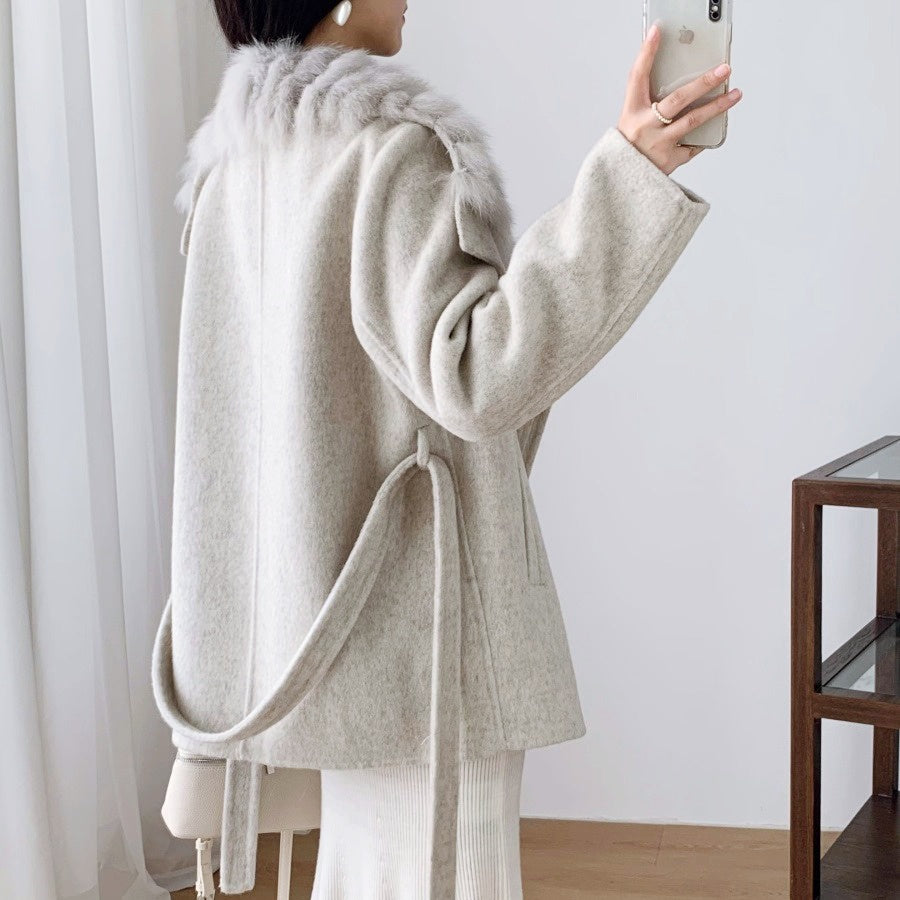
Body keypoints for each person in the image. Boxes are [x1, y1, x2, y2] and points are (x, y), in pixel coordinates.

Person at [152, 1, 742, 898]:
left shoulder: (231, 170)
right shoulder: (391, 152)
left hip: (313, 624)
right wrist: (625, 177)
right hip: (417, 631)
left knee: (366, 872)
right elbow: (476, 378)